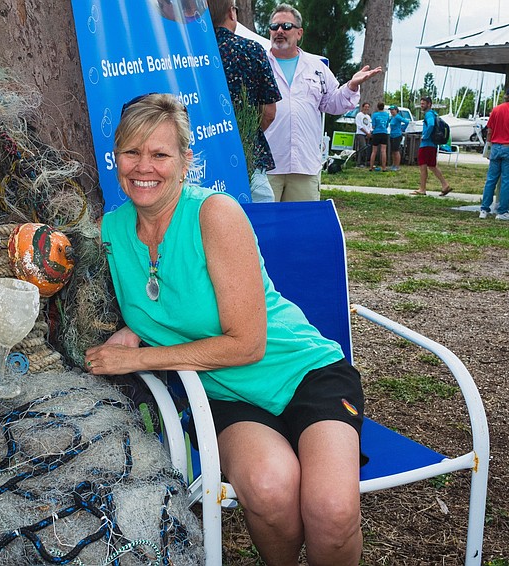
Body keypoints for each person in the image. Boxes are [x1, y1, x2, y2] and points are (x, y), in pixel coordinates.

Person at [85, 93, 365, 566]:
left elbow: (248, 343)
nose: (143, 166)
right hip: (224, 393)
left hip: (302, 372)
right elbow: (157, 302)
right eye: (132, 152)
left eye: (160, 153)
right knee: (270, 490)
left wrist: (136, 358)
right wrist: (135, 331)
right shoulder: (111, 233)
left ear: (185, 160)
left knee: (332, 512)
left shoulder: (214, 214)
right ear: (116, 157)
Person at [263, 3, 381, 201]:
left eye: (286, 26)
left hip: (305, 165)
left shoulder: (316, 67)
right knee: (262, 228)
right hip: (267, 165)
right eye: (274, 27)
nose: (279, 31)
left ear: (299, 33)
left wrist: (351, 85)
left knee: (302, 229)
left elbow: (332, 103)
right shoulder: (259, 63)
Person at [209, 0, 282, 203]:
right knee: (260, 218)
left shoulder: (190, 53)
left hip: (200, 155)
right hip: (247, 153)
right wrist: (246, 134)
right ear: (232, 14)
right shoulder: (251, 50)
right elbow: (269, 112)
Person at [478, 85, 509, 221]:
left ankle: (484, 209)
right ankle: (502, 211)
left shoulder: (496, 110)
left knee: (491, 179)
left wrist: (489, 148)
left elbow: (489, 131)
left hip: (495, 147)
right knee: (506, 181)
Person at [411, 95, 452, 196]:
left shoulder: (429, 114)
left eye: (423, 104)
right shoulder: (434, 114)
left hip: (426, 144)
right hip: (433, 144)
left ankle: (422, 189)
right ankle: (445, 184)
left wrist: (425, 136)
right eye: (421, 103)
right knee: (432, 166)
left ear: (429, 104)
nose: (422, 105)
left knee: (422, 166)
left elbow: (431, 125)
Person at [387, 105, 410, 171]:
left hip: (397, 135)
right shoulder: (392, 118)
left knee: (396, 151)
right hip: (392, 135)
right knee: (393, 151)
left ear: (396, 110)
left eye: (392, 110)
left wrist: (403, 129)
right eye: (390, 110)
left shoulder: (398, 117)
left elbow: (406, 122)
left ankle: (397, 166)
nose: (391, 111)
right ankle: (393, 164)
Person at [368, 102, 389, 171]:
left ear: (377, 107)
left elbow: (373, 126)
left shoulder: (375, 115)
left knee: (374, 151)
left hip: (376, 133)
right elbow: (387, 125)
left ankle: (371, 167)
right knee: (383, 151)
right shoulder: (387, 115)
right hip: (384, 133)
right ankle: (384, 167)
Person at [354, 102, 372, 167]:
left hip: (367, 135)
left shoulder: (368, 117)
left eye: (368, 107)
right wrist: (366, 133)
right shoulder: (359, 115)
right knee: (362, 147)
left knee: (366, 149)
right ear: (362, 107)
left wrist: (369, 132)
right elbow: (359, 126)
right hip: (360, 133)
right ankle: (359, 163)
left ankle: (365, 162)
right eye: (365, 107)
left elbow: (370, 125)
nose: (366, 108)